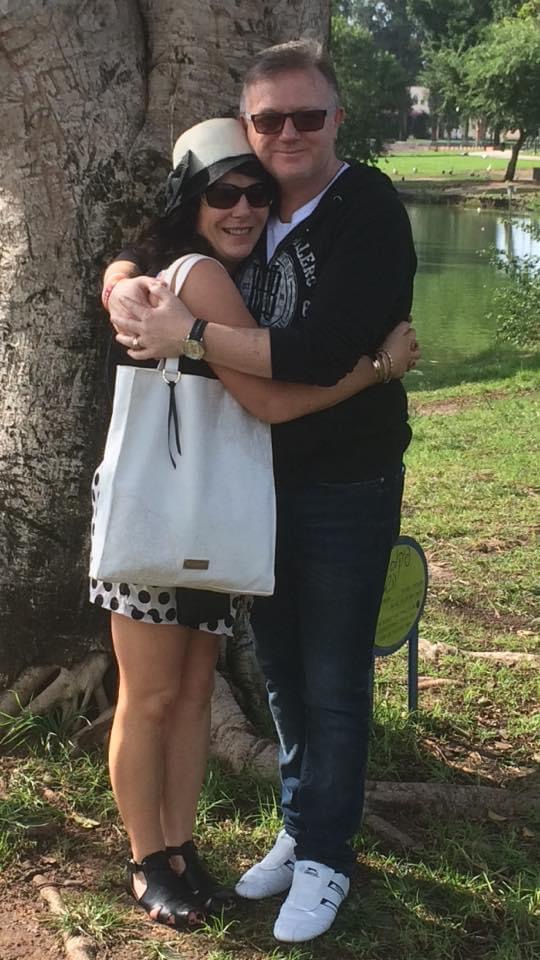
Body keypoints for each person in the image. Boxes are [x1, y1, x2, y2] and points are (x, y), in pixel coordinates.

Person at [97, 114, 420, 935]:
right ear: (191, 202)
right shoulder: (206, 279)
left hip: (203, 516)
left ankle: (179, 850)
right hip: (167, 516)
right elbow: (269, 402)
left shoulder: (208, 269)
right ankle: (147, 860)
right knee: (153, 695)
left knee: (191, 693)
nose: (242, 208)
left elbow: (138, 272)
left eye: (256, 193)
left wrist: (119, 275)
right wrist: (379, 368)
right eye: (222, 195)